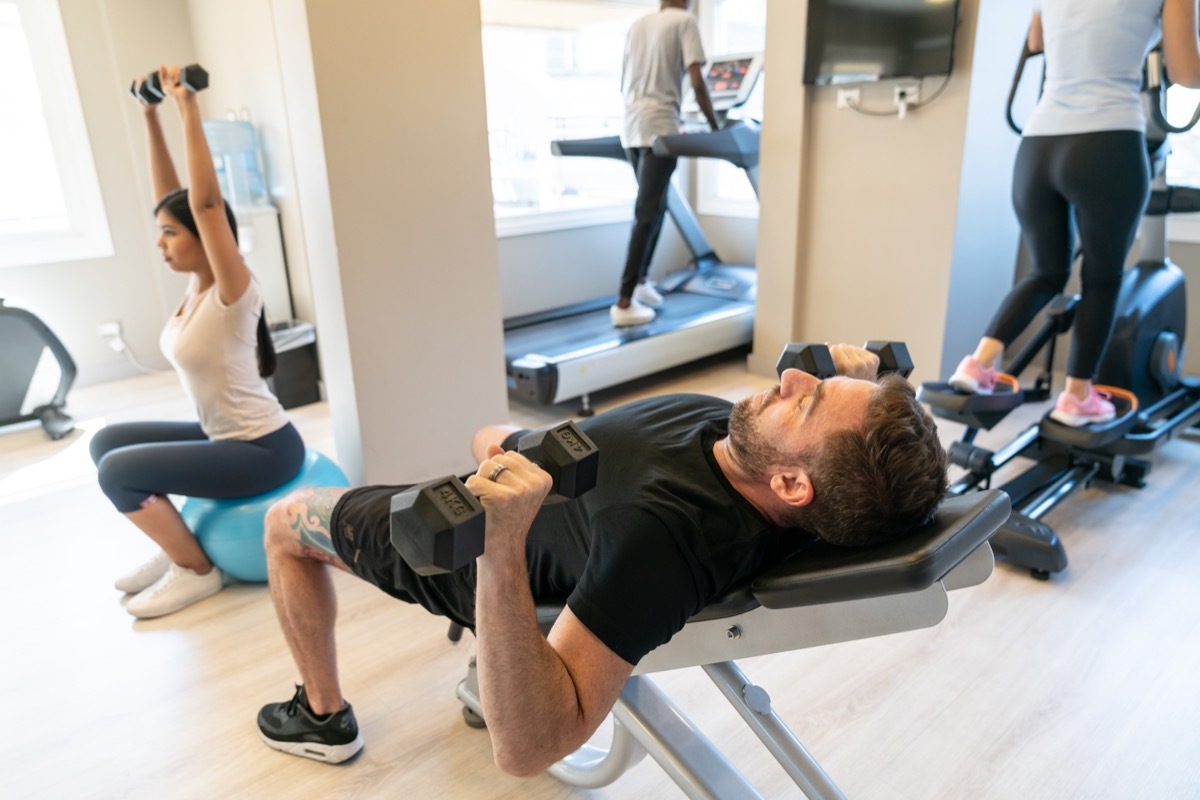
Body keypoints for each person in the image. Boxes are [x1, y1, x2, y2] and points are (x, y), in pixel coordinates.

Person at [254, 344, 948, 770]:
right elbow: (882, 469)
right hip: (561, 466)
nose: (794, 374)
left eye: (808, 401)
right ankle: (482, 667)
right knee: (488, 431)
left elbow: (527, 750)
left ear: (793, 486)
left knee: (285, 522)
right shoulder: (777, 467)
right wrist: (872, 386)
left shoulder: (659, 543)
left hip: (486, 539)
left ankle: (322, 718)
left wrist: (500, 552)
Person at [89, 66, 305, 619]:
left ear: (208, 238)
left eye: (169, 232)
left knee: (117, 473)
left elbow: (205, 205)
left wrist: (187, 105)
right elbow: (176, 196)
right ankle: (176, 549)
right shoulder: (196, 285)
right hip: (224, 437)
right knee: (106, 441)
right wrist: (149, 112)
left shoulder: (233, 291)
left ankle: (195, 569)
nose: (159, 242)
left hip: (263, 451)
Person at [949, 0, 1200, 426]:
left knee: (1046, 272)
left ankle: (978, 364)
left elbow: (1037, 40)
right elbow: (1186, 72)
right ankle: (1077, 396)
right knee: (1102, 278)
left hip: (1038, 146)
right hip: (1108, 141)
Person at [610, 0, 720, 328]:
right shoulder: (684, 22)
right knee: (647, 214)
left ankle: (641, 282)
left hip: (631, 127)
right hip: (660, 126)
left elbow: (623, 82)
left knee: (656, 206)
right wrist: (715, 127)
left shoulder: (638, 25)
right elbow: (697, 81)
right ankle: (624, 300)